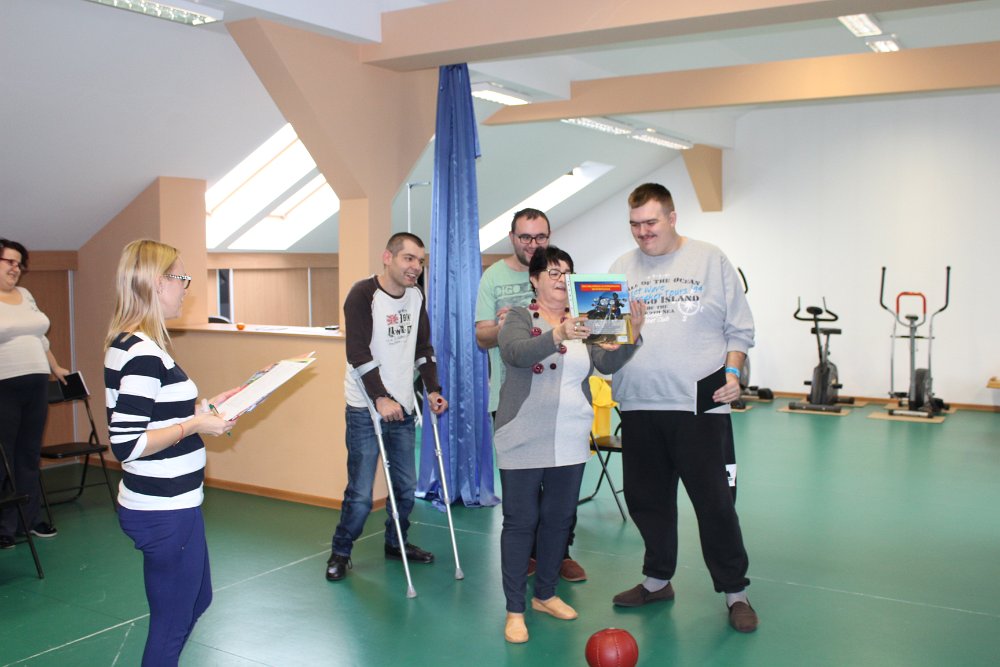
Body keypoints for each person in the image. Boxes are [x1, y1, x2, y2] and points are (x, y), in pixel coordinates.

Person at [608, 183, 759, 633]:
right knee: (647, 501)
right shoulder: (619, 269)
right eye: (635, 224)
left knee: (715, 504)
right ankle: (657, 581)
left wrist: (732, 372)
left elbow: (740, 329)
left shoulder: (710, 259)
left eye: (650, 222)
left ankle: (735, 592)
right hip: (638, 402)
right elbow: (606, 342)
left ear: (672, 218)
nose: (643, 232)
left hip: (700, 403)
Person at [495, 246, 646, 643]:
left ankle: (545, 594)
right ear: (534, 279)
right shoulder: (518, 317)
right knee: (520, 523)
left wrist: (632, 333)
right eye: (552, 272)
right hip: (522, 435)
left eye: (566, 272)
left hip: (570, 434)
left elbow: (606, 363)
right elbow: (515, 353)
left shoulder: (589, 318)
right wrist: (558, 334)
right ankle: (515, 609)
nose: (561, 279)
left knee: (559, 520)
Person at [104, 239, 239, 666]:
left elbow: (153, 415)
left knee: (198, 599)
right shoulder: (143, 354)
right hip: (163, 510)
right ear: (156, 283)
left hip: (176, 503)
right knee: (172, 623)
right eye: (181, 277)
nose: (186, 287)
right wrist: (195, 425)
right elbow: (126, 444)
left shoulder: (133, 343)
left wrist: (198, 412)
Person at [326, 232, 448, 581]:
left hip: (403, 407)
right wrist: (380, 397)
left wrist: (433, 390)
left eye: (420, 261)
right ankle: (340, 551)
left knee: (405, 488)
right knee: (361, 494)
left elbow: (423, 349)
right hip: (365, 407)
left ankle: (396, 543)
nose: (416, 267)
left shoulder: (416, 296)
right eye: (409, 258)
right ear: (388, 257)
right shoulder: (363, 295)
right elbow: (358, 353)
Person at [475, 208, 586, 583]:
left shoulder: (565, 282)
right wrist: (508, 327)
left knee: (560, 498)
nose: (533, 243)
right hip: (512, 400)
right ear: (512, 237)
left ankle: (558, 555)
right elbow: (482, 337)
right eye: (526, 237)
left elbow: (597, 345)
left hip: (562, 403)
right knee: (523, 501)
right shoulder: (494, 277)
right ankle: (525, 558)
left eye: (540, 237)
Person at [0, 238, 69, 549]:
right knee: (4, 457)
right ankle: (4, 526)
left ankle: (29, 520)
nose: (16, 268)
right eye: (9, 262)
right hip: (4, 386)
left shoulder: (25, 295)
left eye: (19, 263)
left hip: (36, 383)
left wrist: (56, 367)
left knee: (28, 454)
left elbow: (40, 338)